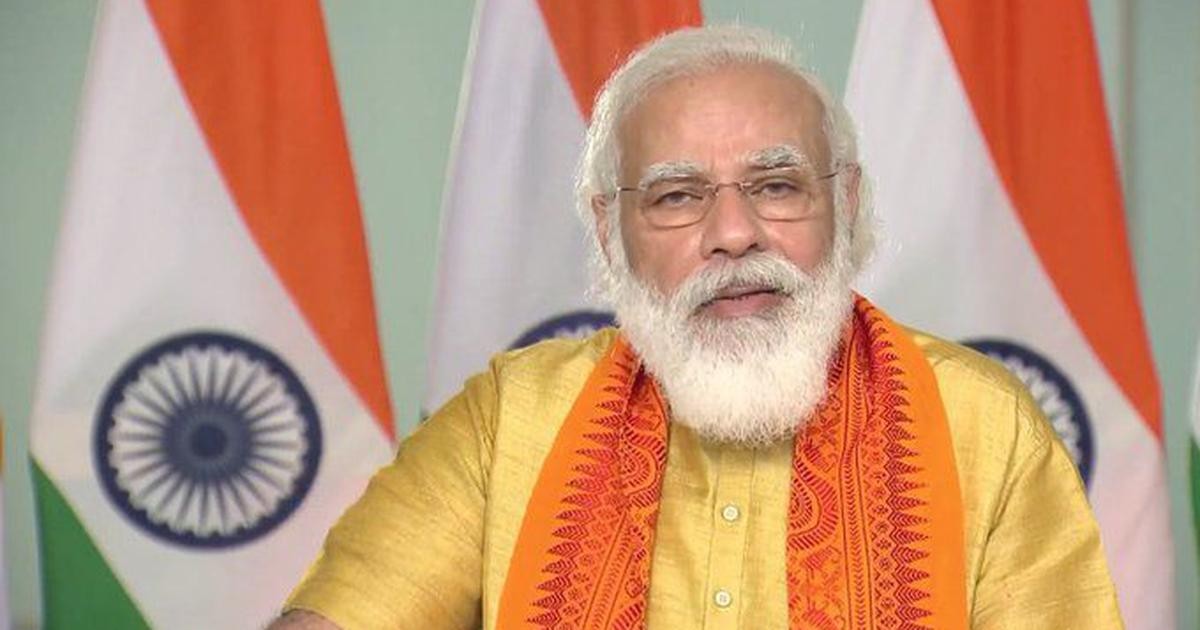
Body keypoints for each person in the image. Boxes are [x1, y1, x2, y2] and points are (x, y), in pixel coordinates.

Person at [273, 25, 1121, 629]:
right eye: (678, 197)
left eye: (777, 185)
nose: (734, 234)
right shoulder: (509, 422)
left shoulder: (986, 426)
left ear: (847, 203)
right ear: (610, 232)